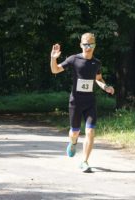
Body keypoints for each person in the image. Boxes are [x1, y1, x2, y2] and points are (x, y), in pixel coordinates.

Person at [50, 33, 115, 172]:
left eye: (91, 44)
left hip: (90, 102)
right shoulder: (74, 59)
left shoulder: (96, 63)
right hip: (76, 102)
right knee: (75, 132)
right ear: (81, 45)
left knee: (90, 131)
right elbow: (55, 70)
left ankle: (85, 161)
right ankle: (73, 142)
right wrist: (53, 59)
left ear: (94, 45)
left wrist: (106, 87)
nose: (88, 46)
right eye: (85, 44)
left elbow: (98, 79)